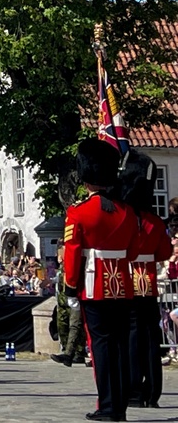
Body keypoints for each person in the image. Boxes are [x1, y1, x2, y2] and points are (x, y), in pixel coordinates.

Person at [63, 138, 138, 422]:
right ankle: (119, 405)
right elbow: (131, 252)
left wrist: (71, 287)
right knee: (119, 345)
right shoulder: (128, 212)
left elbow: (73, 254)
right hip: (123, 284)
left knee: (102, 347)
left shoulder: (79, 212)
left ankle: (107, 405)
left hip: (93, 286)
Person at [119, 150, 170, 409]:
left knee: (131, 338)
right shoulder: (155, 222)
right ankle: (152, 392)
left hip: (126, 281)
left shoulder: (123, 217)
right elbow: (165, 252)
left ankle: (135, 391)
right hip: (148, 283)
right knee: (150, 338)